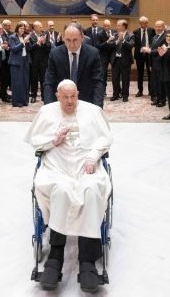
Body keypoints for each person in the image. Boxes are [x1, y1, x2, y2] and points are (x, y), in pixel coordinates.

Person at [25, 80, 112, 293]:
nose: (70, 101)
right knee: (61, 191)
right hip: (57, 166)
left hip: (85, 166)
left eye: (73, 96)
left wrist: (93, 156)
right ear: (58, 96)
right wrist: (53, 140)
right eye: (65, 97)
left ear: (78, 94)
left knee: (92, 190)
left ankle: (87, 261)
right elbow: (36, 142)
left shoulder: (92, 111)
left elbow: (104, 140)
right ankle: (55, 257)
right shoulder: (47, 112)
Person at [43, 23, 105, 108]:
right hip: (62, 103)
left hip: (86, 102)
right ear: (63, 38)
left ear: (82, 38)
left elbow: (98, 82)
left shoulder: (93, 53)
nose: (71, 45)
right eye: (68, 40)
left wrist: (97, 107)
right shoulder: (55, 54)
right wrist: (49, 107)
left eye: (75, 40)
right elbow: (49, 83)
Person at [110, 19, 134, 102]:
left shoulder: (131, 35)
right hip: (115, 60)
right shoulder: (114, 35)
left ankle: (125, 96)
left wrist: (123, 40)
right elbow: (110, 46)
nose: (116, 26)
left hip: (126, 61)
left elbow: (130, 46)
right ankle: (115, 95)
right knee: (114, 79)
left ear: (124, 26)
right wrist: (116, 41)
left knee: (125, 79)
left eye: (118, 25)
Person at [9, 22, 32, 107]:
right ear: (17, 29)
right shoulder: (12, 37)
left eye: (23, 28)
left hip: (25, 60)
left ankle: (24, 101)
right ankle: (16, 102)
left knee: (25, 82)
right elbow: (13, 49)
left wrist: (27, 42)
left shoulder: (24, 36)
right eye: (20, 28)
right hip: (16, 62)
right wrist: (23, 43)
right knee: (17, 82)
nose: (22, 30)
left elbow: (30, 48)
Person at [133, 16, 155, 97]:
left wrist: (149, 48)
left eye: (146, 23)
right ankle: (140, 91)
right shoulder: (135, 32)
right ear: (140, 23)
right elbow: (134, 43)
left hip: (149, 55)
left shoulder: (152, 30)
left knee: (150, 73)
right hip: (139, 55)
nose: (145, 24)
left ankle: (151, 91)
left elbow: (154, 41)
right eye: (143, 23)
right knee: (140, 73)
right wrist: (141, 48)